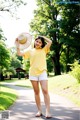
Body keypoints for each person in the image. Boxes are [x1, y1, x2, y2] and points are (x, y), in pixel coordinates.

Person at [15, 36, 52, 119]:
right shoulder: (30, 51)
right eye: (36, 41)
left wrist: (42, 36)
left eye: (40, 42)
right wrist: (17, 45)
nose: (37, 43)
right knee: (36, 92)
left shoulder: (44, 50)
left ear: (42, 44)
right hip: (33, 74)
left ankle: (48, 111)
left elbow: (50, 42)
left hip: (42, 72)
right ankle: (39, 111)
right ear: (34, 42)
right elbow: (19, 53)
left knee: (45, 91)